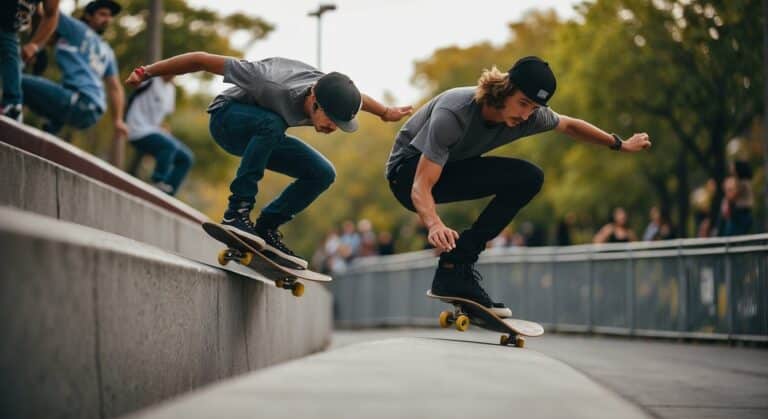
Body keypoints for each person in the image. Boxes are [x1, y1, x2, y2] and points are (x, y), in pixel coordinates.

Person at [385, 56, 651, 317]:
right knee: (428, 177)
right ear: (504, 89)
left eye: (534, 108)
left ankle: (456, 265)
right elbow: (420, 184)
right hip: (406, 173)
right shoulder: (454, 113)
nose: (525, 116)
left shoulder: (531, 116)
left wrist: (619, 144)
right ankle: (454, 265)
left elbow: (570, 125)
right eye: (522, 103)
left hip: (449, 168)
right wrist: (434, 224)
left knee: (529, 177)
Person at [126, 53, 412, 268]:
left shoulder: (330, 89)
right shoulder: (268, 79)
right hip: (228, 121)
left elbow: (357, 98)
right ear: (314, 101)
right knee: (273, 123)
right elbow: (201, 60)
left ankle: (267, 226)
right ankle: (237, 212)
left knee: (322, 172)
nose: (331, 128)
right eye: (331, 120)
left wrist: (386, 112)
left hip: (263, 139)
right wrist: (146, 72)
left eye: (339, 124)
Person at [21, 0, 126, 137]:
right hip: (92, 113)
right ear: (88, 15)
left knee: (15, 80)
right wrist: (118, 120)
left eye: (109, 16)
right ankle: (48, 137)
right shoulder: (107, 51)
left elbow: (48, 10)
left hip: (78, 99)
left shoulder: (75, 28)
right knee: (50, 118)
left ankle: (8, 112)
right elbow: (115, 87)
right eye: (103, 14)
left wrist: (34, 43)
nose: (107, 19)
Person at [125, 75, 194, 195]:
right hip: (135, 130)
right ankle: (157, 181)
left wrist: (164, 130)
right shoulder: (151, 79)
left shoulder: (170, 89)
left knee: (186, 158)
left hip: (153, 131)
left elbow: (163, 116)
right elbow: (133, 83)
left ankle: (168, 195)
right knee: (169, 146)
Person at [0, 0, 59, 121]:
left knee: (12, 58)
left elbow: (50, 15)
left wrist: (35, 45)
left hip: (9, 28)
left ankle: (12, 106)